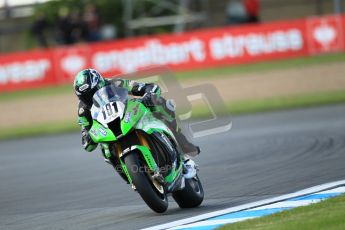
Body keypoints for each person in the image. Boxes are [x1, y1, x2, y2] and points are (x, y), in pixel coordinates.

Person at [73, 69, 199, 179]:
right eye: (85, 96)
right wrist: (88, 138)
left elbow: (148, 87)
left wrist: (149, 95)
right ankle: (131, 175)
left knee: (160, 103)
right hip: (108, 130)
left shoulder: (116, 83)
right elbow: (86, 134)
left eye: (93, 92)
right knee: (104, 149)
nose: (90, 97)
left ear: (100, 84)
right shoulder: (83, 110)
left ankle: (183, 145)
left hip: (127, 114)